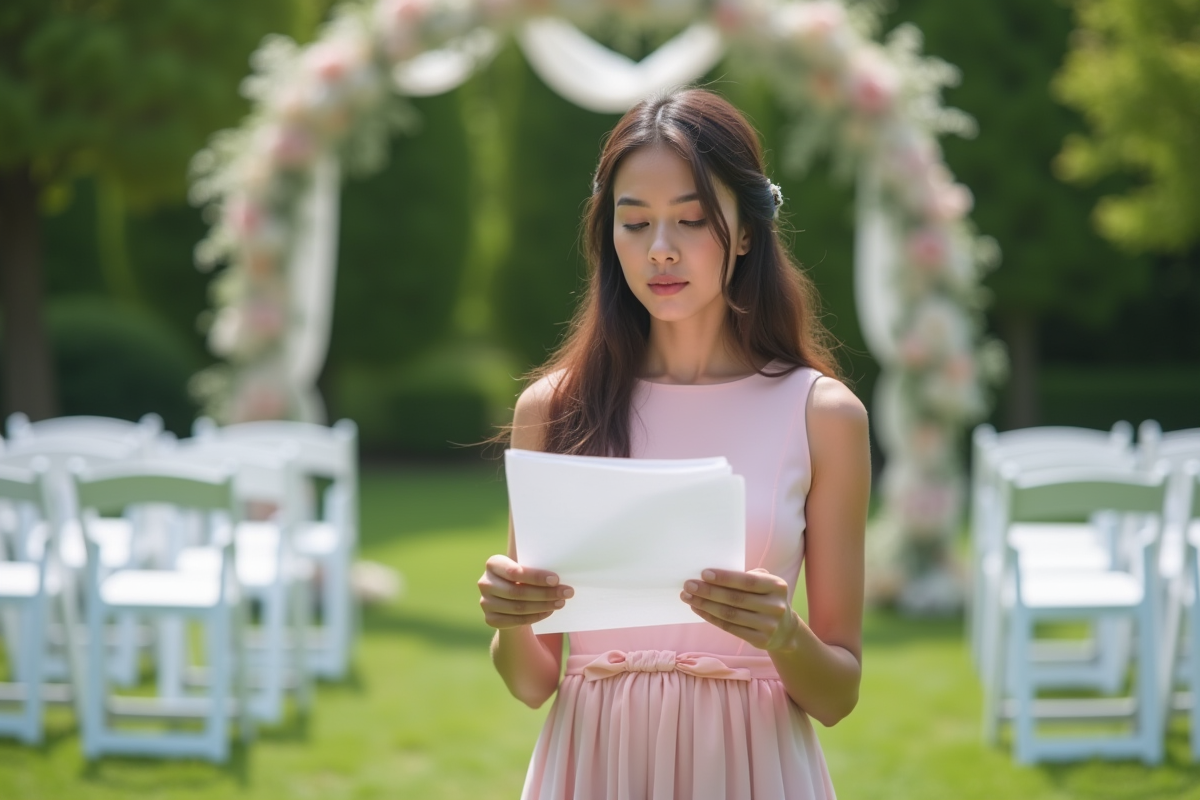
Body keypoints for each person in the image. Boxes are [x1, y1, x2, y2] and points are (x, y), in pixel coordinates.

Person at [477, 87, 869, 800]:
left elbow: (838, 693)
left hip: (751, 770)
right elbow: (532, 682)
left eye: (691, 219)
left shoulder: (821, 414)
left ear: (746, 231)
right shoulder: (554, 409)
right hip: (593, 768)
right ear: (609, 238)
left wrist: (783, 634)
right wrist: (510, 626)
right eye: (635, 223)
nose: (661, 249)